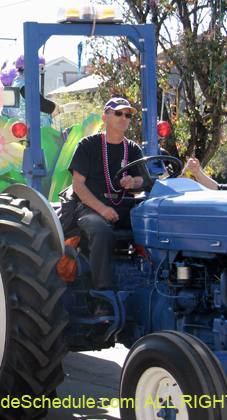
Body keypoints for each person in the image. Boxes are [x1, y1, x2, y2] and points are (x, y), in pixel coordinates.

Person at [68, 98, 144, 319]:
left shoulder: (132, 148)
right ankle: (102, 297)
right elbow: (78, 185)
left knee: (153, 222)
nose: (124, 118)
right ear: (105, 118)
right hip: (91, 206)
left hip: (123, 204)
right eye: (118, 114)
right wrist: (101, 209)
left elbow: (141, 182)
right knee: (101, 230)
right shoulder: (88, 145)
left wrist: (133, 183)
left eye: (128, 115)